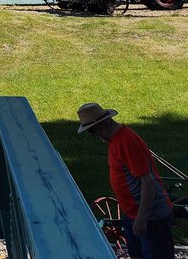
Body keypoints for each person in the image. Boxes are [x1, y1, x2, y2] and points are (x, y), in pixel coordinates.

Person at [77, 102, 175, 259]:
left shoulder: (127, 142)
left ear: (105, 123)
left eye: (92, 131)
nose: (94, 136)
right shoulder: (115, 141)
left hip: (151, 217)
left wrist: (142, 218)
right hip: (132, 215)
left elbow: (148, 182)